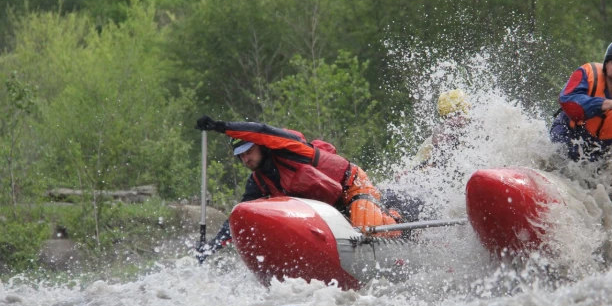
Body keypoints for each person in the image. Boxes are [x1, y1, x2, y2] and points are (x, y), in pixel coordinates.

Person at [194, 116, 401, 263]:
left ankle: (398, 219)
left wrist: (222, 127)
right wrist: (212, 246)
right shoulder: (257, 182)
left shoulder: (291, 149)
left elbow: (263, 131)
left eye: (249, 151)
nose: (246, 158)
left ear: (261, 146)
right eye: (240, 155)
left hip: (353, 188)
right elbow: (236, 219)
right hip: (327, 209)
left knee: (364, 229)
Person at [413, 89, 471, 168]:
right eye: (449, 117)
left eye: (458, 114)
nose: (454, 120)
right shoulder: (432, 141)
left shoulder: (479, 128)